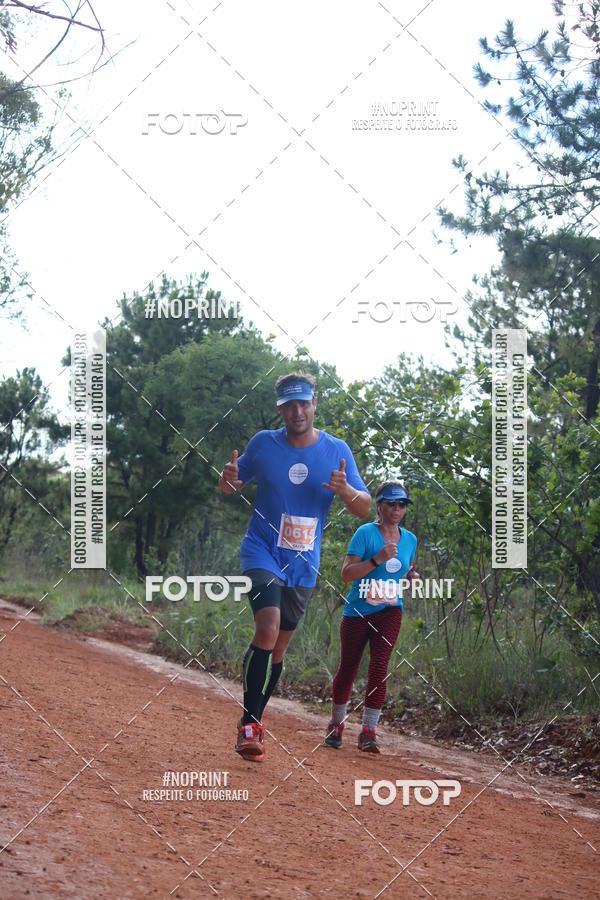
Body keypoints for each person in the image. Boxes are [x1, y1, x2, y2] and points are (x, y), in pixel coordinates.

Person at [219, 373, 370, 761]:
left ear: (315, 403)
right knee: (266, 626)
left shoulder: (336, 451)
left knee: (279, 648)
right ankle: (251, 726)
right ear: (280, 409)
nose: (297, 411)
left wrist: (346, 490)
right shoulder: (264, 444)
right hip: (262, 550)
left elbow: (364, 507)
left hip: (303, 562)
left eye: (304, 403)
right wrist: (229, 480)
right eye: (290, 405)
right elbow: (234, 484)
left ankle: (252, 718)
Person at [324, 482, 418, 753]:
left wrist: (411, 576)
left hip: (390, 610)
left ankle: (369, 731)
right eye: (391, 503)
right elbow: (346, 574)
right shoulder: (365, 533)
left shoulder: (410, 539)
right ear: (379, 505)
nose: (397, 509)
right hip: (358, 611)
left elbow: (405, 568)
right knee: (348, 668)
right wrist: (376, 559)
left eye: (402, 504)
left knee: (379, 668)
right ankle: (336, 723)